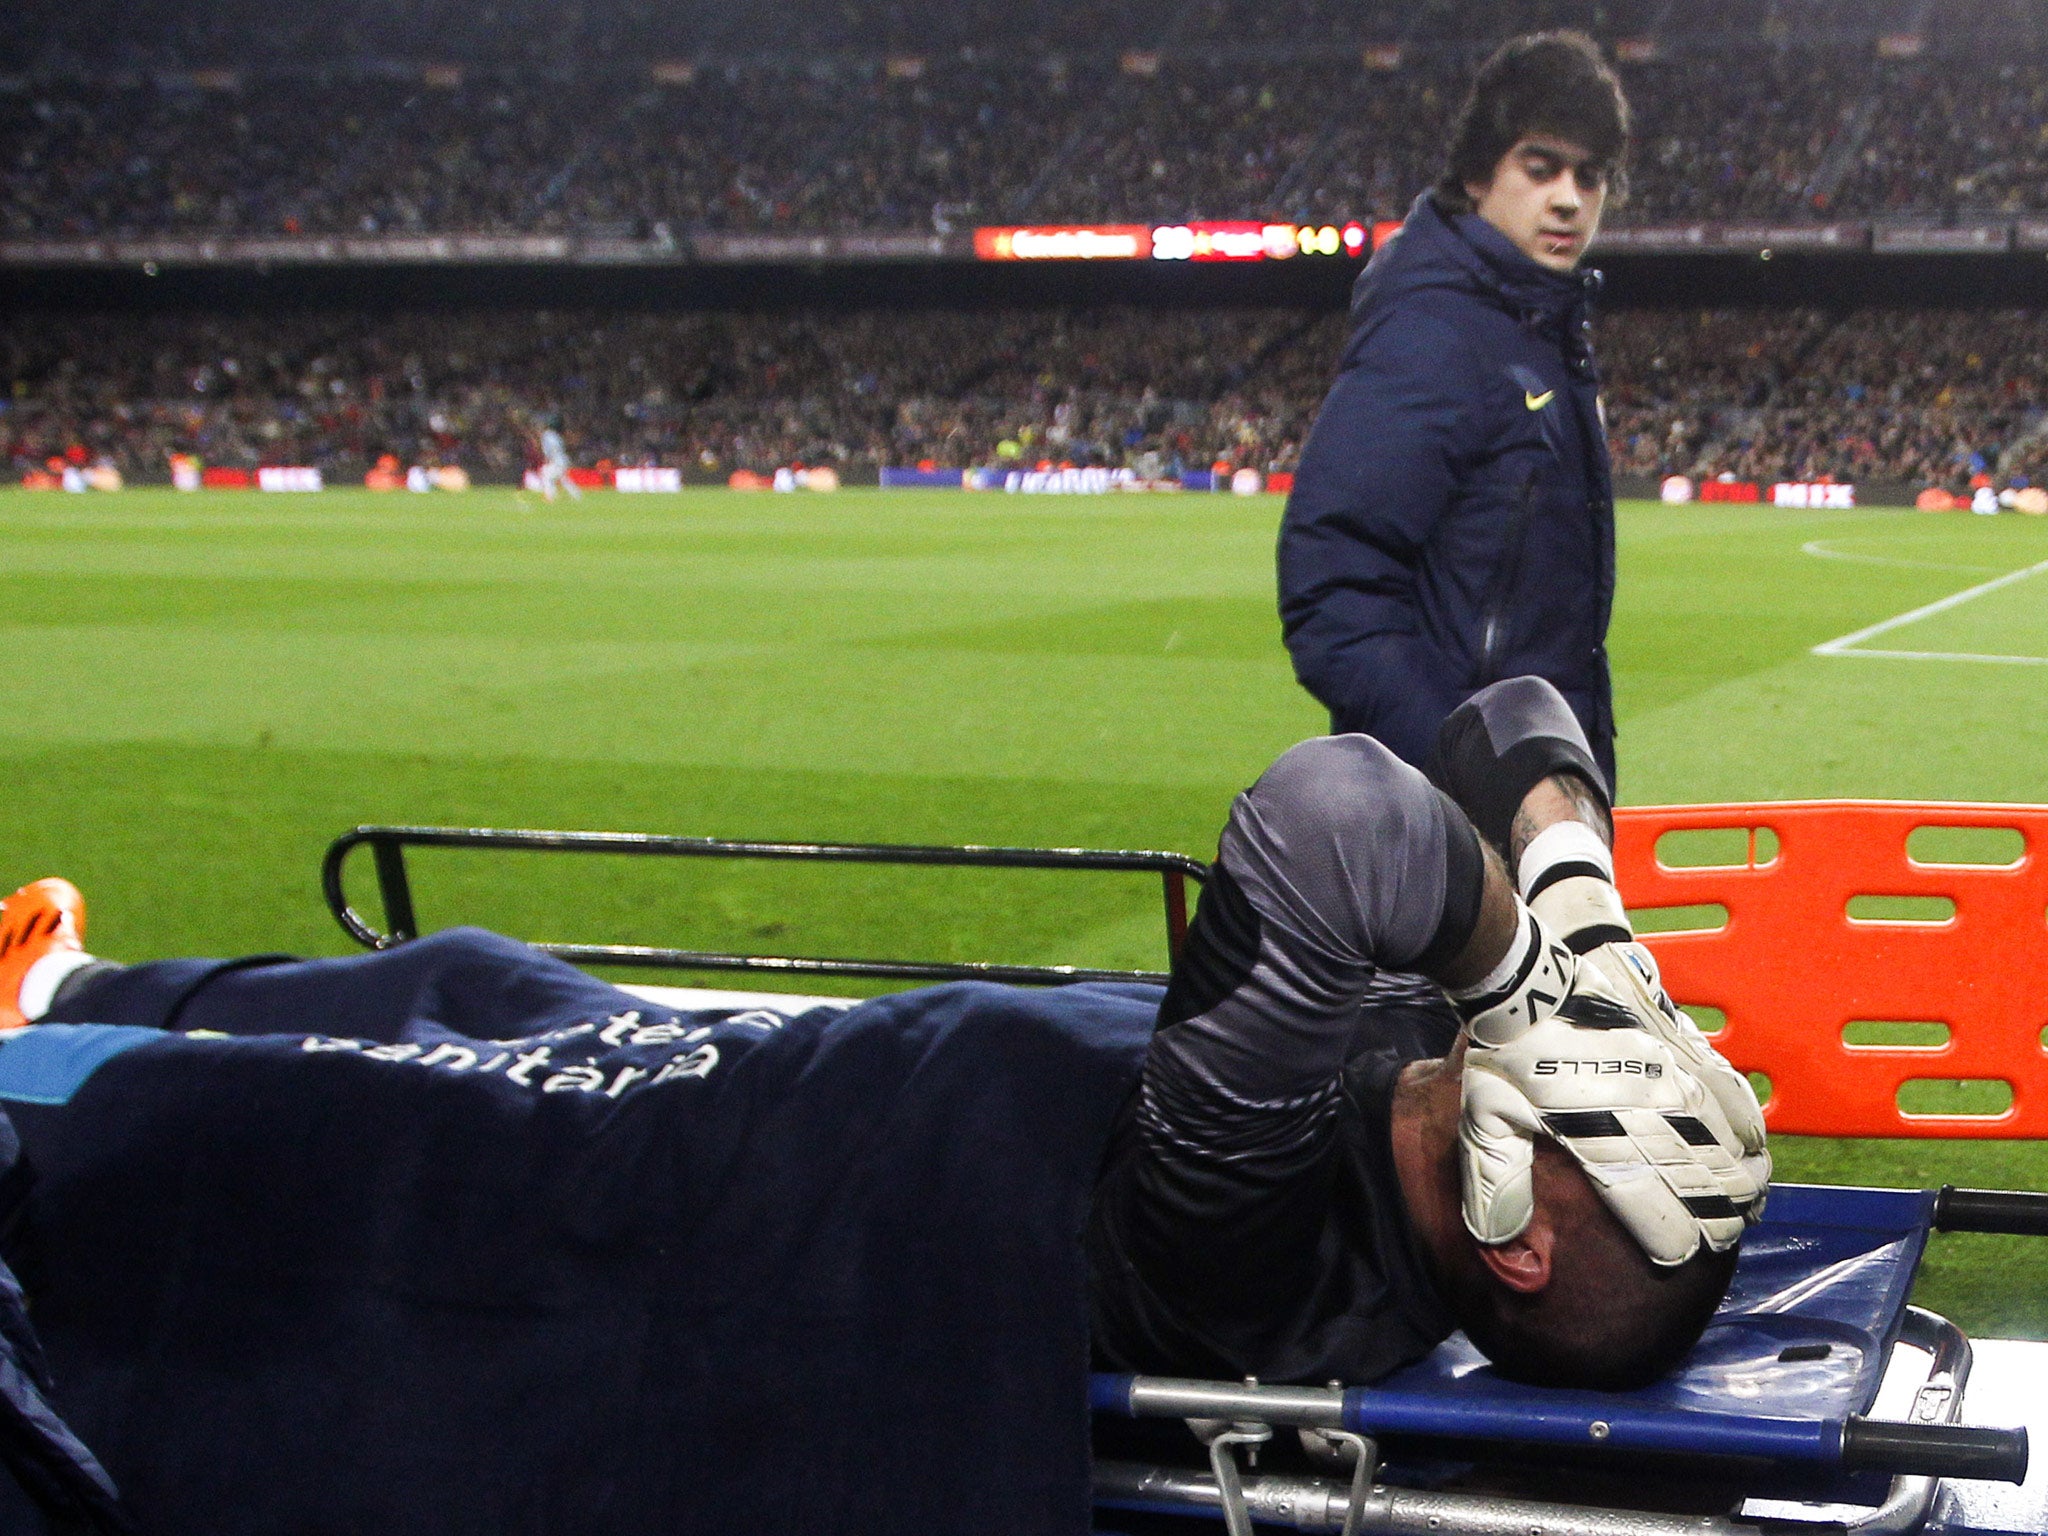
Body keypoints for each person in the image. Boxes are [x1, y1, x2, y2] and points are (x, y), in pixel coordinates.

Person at [1278, 32, 1630, 786]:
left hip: (1536, 801)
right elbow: (1334, 591)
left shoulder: (1543, 333)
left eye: (1590, 176)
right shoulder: (1434, 334)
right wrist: (1472, 766)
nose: (1569, 197)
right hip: (1450, 820)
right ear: (1478, 174)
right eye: (1540, 170)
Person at [536, 417, 581, 502]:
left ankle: (550, 496)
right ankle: (577, 494)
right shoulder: (555, 435)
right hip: (563, 459)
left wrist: (548, 459)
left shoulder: (546, 435)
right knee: (563, 478)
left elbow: (549, 449)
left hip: (556, 460)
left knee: (547, 476)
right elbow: (561, 447)